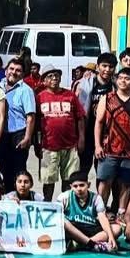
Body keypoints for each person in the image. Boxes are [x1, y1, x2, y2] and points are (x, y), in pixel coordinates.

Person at [95, 69, 130, 217]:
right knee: (104, 182)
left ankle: (121, 213)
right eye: (120, 78)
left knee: (126, 184)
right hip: (108, 149)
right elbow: (99, 123)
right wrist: (98, 145)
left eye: (127, 78)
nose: (123, 81)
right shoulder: (106, 98)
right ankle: (101, 213)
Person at [36, 68, 84, 198]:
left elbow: (80, 118)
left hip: (70, 146)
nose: (54, 78)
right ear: (45, 80)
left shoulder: (70, 95)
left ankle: (66, 206)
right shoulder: (40, 97)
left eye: (57, 75)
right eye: (50, 76)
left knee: (68, 180)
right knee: (48, 180)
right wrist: (37, 145)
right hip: (49, 146)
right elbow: (35, 124)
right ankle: (48, 205)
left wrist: (81, 139)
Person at [57, 171, 121, 253]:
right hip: (73, 229)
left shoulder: (96, 198)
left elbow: (102, 218)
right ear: (71, 187)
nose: (79, 189)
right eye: (75, 186)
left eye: (82, 185)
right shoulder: (64, 197)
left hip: (91, 229)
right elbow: (57, 217)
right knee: (63, 221)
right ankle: (92, 244)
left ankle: (80, 244)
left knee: (117, 228)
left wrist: (111, 236)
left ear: (88, 185)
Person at [0, 59, 38, 186]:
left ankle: (19, 197)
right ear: (6, 71)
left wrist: (27, 137)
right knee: (4, 168)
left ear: (22, 74)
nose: (14, 72)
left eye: (18, 70)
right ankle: (8, 197)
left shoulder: (26, 90)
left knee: (18, 170)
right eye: (11, 69)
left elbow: (30, 116)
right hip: (2, 134)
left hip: (18, 134)